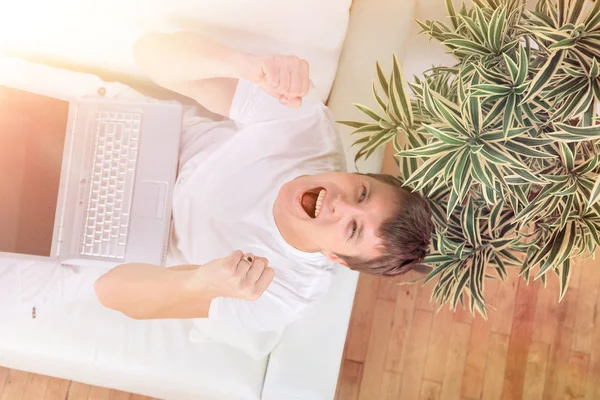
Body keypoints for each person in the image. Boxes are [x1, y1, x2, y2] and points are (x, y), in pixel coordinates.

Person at [94, 31, 434, 333]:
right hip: (130, 136)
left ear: (336, 258)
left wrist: (197, 284)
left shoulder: (284, 296)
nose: (339, 203)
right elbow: (148, 53)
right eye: (361, 193)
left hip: (120, 232)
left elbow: (108, 292)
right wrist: (245, 66)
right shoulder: (304, 123)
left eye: (353, 229)